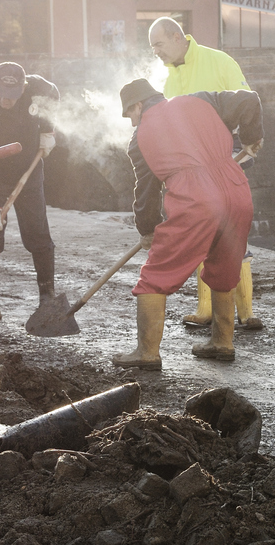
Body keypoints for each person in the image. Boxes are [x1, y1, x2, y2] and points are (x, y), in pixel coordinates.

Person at [112, 78, 263, 368]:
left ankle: (147, 352)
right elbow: (249, 99)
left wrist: (148, 229)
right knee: (225, 267)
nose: (131, 122)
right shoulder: (202, 98)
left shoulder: (140, 138)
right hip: (237, 191)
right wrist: (250, 137)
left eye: (129, 113)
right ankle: (222, 342)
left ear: (138, 105)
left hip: (197, 200)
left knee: (156, 275)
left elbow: (146, 192)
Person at [148, 16, 263, 331]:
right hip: (192, 166)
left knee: (232, 231)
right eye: (152, 47)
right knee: (205, 231)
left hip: (225, 158)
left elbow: (248, 102)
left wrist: (251, 141)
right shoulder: (166, 79)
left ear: (177, 37)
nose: (155, 51)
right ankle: (206, 308)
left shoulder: (219, 61)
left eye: (158, 44)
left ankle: (246, 312)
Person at [0, 61, 59, 320]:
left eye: (12, 95)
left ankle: (47, 296)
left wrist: (47, 130)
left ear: (24, 87)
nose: (5, 100)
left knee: (38, 233)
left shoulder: (37, 87)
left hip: (28, 171)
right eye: (0, 93)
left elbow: (53, 95)